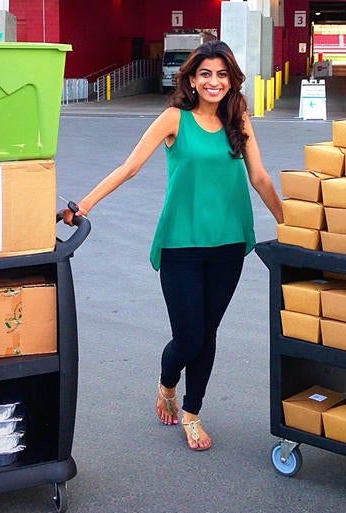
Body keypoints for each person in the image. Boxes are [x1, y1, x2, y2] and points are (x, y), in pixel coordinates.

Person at [61, 40, 284, 451]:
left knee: (208, 331)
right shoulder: (174, 119)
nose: (213, 81)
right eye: (205, 74)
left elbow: (261, 179)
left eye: (221, 74)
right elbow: (130, 168)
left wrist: (293, 223)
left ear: (231, 79)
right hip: (181, 245)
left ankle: (193, 412)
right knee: (188, 336)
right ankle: (167, 384)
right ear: (192, 80)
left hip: (230, 244)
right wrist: (84, 204)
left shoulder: (241, 121)